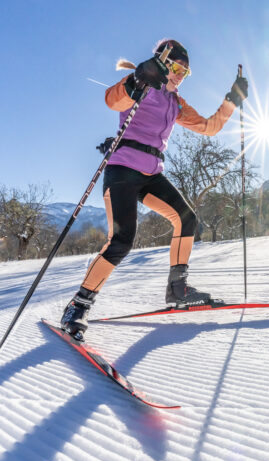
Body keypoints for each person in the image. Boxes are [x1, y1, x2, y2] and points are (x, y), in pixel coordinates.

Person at [60, 39, 248, 340]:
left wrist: (232, 100)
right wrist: (137, 79)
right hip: (122, 170)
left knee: (187, 219)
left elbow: (209, 127)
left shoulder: (177, 103)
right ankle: (78, 306)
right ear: (163, 62)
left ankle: (177, 289)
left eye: (186, 72)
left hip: (151, 175)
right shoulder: (143, 83)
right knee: (121, 241)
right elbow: (112, 100)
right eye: (176, 68)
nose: (180, 76)